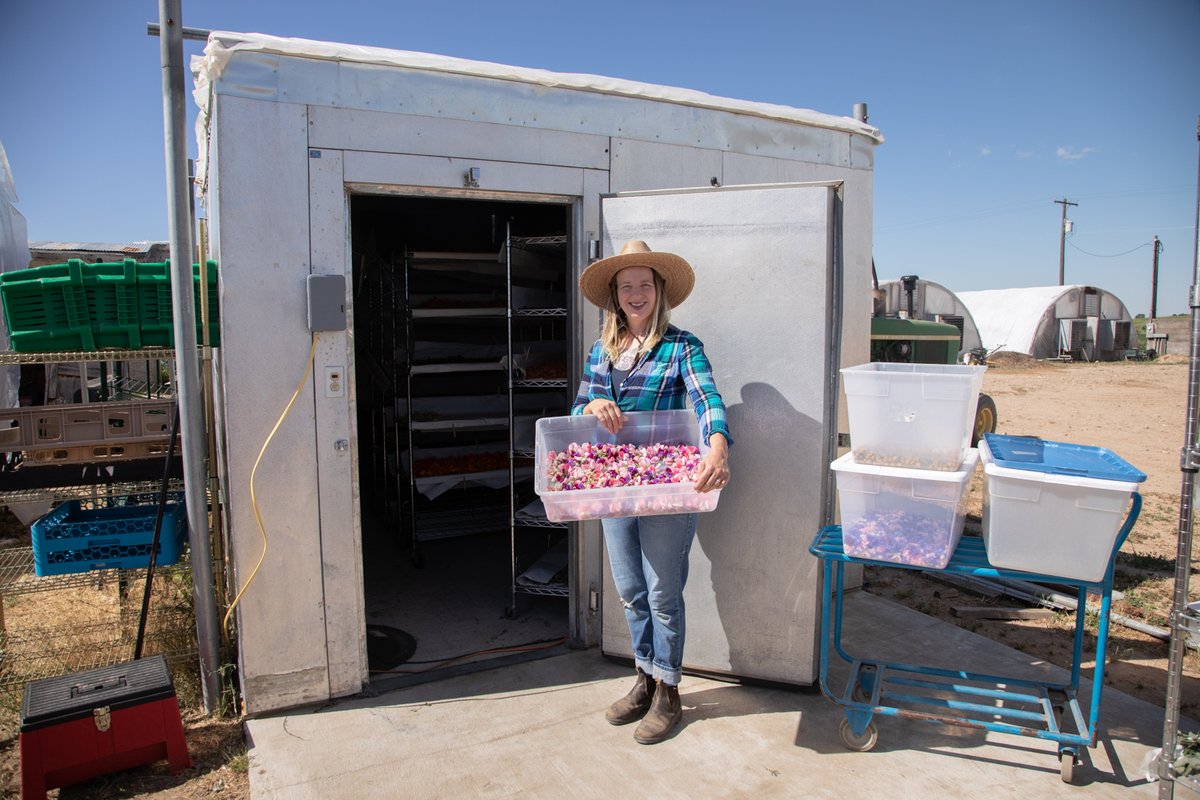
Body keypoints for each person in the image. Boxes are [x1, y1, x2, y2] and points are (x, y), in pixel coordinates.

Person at [572, 239, 732, 745]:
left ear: (659, 291)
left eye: (644, 284)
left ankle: (669, 691)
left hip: (666, 484)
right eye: (626, 286)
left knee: (663, 593)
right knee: (630, 590)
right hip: (616, 486)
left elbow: (707, 397)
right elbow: (580, 407)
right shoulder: (603, 350)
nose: (635, 293)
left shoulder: (683, 345)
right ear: (615, 297)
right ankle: (643, 678)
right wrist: (592, 409)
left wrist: (718, 446)